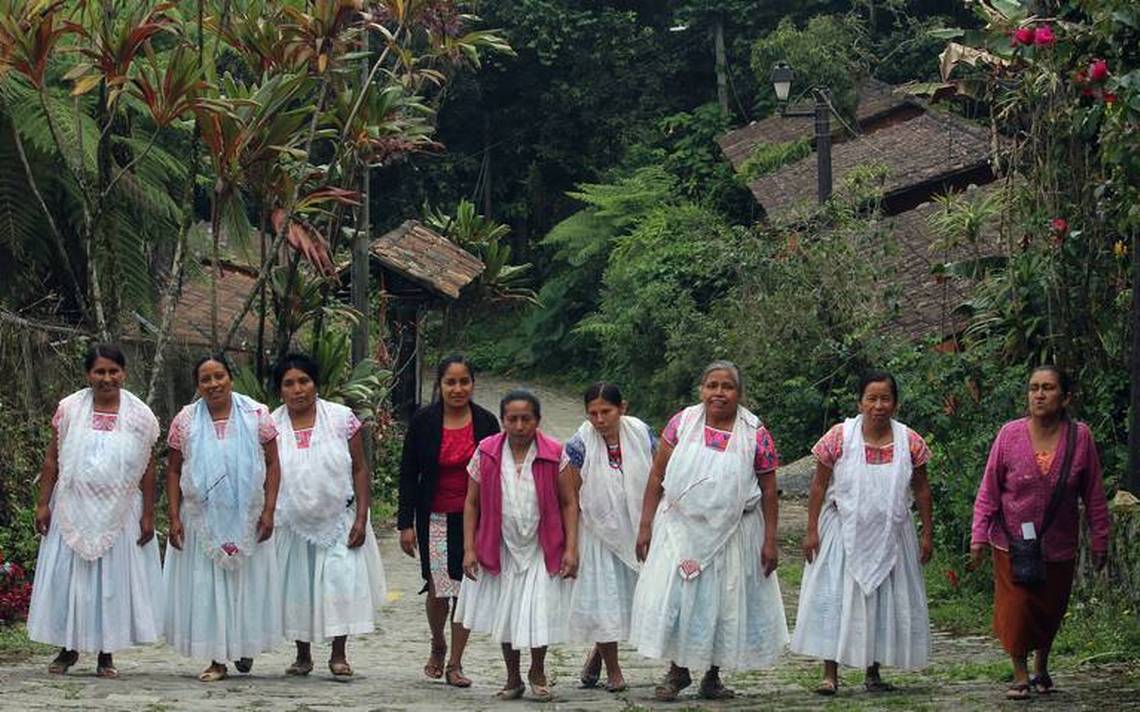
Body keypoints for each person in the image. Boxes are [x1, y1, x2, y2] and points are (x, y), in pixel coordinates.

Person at [631, 360, 788, 701]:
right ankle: (678, 671)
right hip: (680, 529)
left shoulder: (755, 433)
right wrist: (645, 525)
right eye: (712, 385)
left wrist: (769, 540)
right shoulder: (682, 423)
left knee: (723, 601)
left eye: (727, 386)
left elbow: (769, 489)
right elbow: (657, 475)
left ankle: (712, 676)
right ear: (701, 389)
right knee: (679, 598)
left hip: (734, 533)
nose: (719, 393)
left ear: (739, 393)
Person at [970, 365, 1110, 700]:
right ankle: (1020, 675)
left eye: (1048, 388)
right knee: (1016, 607)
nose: (1039, 395)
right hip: (1011, 540)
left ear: (1066, 397)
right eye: (1034, 388)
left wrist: (1099, 537)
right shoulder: (1009, 435)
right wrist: (978, 535)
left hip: (1059, 542)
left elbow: (1093, 493)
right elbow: (989, 489)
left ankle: (1041, 665)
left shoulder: (1081, 438)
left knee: (1050, 608)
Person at [791, 370, 934, 695]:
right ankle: (830, 674)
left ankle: (874, 671)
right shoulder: (839, 437)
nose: (878, 405)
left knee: (880, 601)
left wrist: (927, 533)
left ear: (895, 404)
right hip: (841, 530)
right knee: (837, 599)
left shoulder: (910, 441)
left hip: (892, 533)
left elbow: (922, 490)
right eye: (872, 398)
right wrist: (811, 529)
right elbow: (818, 485)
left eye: (885, 398)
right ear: (860, 402)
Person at [26, 344, 162, 678]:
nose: (106, 378)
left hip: (120, 511)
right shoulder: (69, 408)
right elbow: (51, 458)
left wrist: (148, 513)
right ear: (88, 374)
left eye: (113, 371)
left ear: (124, 373)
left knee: (110, 582)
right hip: (71, 508)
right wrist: (43, 504)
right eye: (99, 372)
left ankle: (106, 654)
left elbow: (148, 468)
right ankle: (67, 649)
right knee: (70, 580)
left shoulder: (141, 415)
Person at [163, 353, 283, 682]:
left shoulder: (257, 414)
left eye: (220, 376)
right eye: (206, 379)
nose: (214, 384)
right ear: (197, 385)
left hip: (248, 516)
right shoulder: (185, 420)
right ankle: (217, 658)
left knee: (246, 585)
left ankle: (244, 647)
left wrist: (269, 510)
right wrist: (174, 516)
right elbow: (173, 469)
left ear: (231, 378)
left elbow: (273, 464)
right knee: (209, 588)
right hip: (202, 518)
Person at [455, 389, 574, 702]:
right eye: (512, 419)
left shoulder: (554, 453)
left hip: (542, 543)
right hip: (500, 543)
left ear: (537, 420)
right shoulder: (486, 452)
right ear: (503, 421)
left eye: (526, 419)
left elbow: (568, 502)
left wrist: (571, 548)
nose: (520, 426)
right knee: (506, 612)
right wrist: (469, 548)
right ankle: (513, 676)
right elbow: (471, 502)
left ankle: (537, 670)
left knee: (538, 610)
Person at [272, 353, 386, 678]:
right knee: (298, 586)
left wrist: (362, 517)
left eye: (304, 381)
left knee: (339, 581)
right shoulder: (270, 425)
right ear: (280, 390)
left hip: (339, 516)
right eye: (289, 383)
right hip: (291, 521)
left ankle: (338, 653)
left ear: (316, 384)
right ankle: (302, 654)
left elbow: (360, 468)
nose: (298, 390)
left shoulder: (341, 418)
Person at [397, 354, 500, 686]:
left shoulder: (486, 423)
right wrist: (406, 524)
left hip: (474, 519)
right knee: (439, 588)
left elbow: (496, 474)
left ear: (473, 384)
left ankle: (456, 662)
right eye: (450, 382)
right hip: (434, 516)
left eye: (464, 381)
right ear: (439, 385)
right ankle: (438, 643)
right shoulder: (424, 421)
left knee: (466, 589)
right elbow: (408, 473)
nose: (458, 389)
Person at [560, 382, 655, 693]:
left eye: (606, 412)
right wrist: (571, 547)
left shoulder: (642, 433)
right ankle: (614, 670)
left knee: (648, 598)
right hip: (597, 530)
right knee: (606, 603)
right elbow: (571, 498)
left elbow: (659, 475)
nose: (599, 420)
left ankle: (597, 657)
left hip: (640, 526)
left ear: (622, 408)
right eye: (593, 414)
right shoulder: (579, 444)